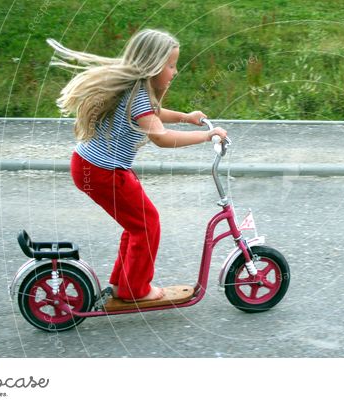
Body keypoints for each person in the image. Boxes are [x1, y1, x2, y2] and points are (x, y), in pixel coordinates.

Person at [47, 29, 227, 302]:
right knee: (147, 223)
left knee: (137, 224)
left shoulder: (136, 90)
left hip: (92, 166)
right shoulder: (139, 95)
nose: (174, 71)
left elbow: (154, 115)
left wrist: (186, 117)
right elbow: (161, 138)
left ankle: (123, 284)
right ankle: (136, 289)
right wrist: (206, 136)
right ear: (152, 65)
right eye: (170, 65)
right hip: (103, 172)